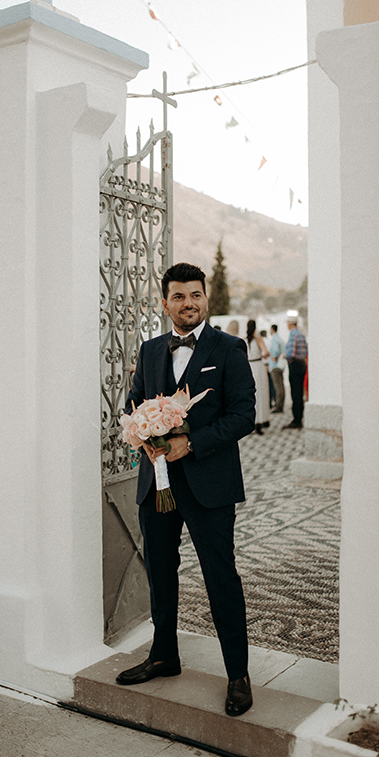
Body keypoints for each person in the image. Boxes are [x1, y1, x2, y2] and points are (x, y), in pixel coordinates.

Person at [116, 262, 256, 717]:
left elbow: (243, 415)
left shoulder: (229, 349)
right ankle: (163, 655)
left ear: (205, 299)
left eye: (195, 295)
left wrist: (190, 443)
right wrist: (142, 434)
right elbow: (134, 402)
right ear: (165, 303)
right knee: (159, 570)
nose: (188, 303)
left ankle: (237, 674)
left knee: (220, 576)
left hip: (209, 484)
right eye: (178, 296)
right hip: (156, 483)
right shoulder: (150, 349)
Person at [283, 316, 308, 429]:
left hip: (295, 365)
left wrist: (285, 356)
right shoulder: (301, 334)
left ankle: (296, 419)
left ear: (290, 324)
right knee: (300, 392)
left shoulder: (293, 335)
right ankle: (299, 417)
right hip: (302, 363)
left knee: (295, 393)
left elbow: (291, 353)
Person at [246, 319, 270, 435]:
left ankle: (249, 422)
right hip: (258, 367)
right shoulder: (258, 339)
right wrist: (263, 355)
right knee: (260, 394)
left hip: (248, 367)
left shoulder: (244, 340)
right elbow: (266, 352)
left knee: (250, 395)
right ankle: (259, 421)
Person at [268, 324, 286, 413]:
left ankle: (278, 406)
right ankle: (280, 405)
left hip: (275, 366)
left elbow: (275, 351)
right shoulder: (280, 339)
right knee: (281, 386)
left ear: (272, 329)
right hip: (281, 365)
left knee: (277, 387)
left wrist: (274, 358)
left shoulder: (274, 339)